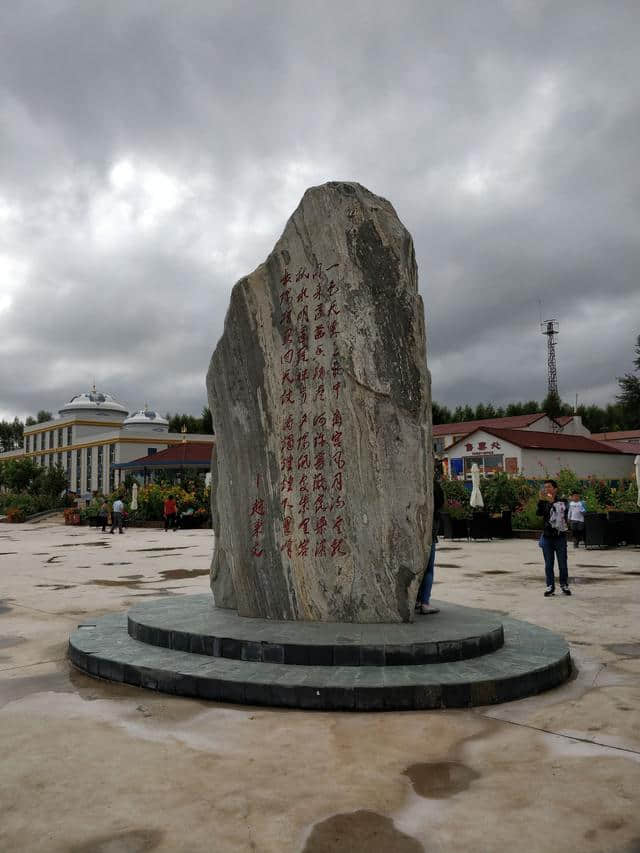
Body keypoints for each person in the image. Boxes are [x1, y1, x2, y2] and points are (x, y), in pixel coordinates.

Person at [417, 466, 445, 615]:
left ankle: (416, 600)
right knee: (428, 569)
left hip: (414, 532)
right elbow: (441, 502)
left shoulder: (417, 484)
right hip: (429, 533)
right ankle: (425, 602)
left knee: (418, 567)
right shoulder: (433, 487)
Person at [537, 479, 571, 596]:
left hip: (559, 537)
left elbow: (563, 513)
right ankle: (550, 586)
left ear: (555, 489)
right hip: (547, 537)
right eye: (545, 487)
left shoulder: (562, 501)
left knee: (562, 563)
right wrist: (542, 501)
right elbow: (540, 513)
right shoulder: (543, 502)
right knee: (548, 564)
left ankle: (564, 584)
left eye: (549, 487)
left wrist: (552, 503)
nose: (546, 489)